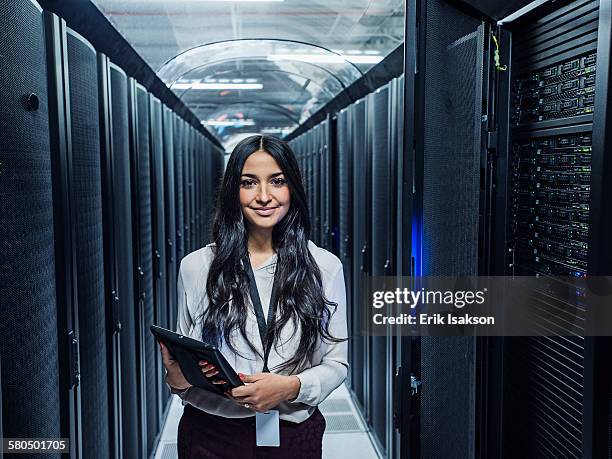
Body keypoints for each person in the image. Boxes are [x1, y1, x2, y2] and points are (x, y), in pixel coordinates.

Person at [159, 134, 349, 458]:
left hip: (292, 435)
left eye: (277, 181)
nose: (264, 196)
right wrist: (177, 376)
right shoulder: (196, 267)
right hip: (210, 435)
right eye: (249, 183)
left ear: (293, 189)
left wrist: (290, 387)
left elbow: (336, 363)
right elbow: (183, 371)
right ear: (234, 191)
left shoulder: (324, 267)